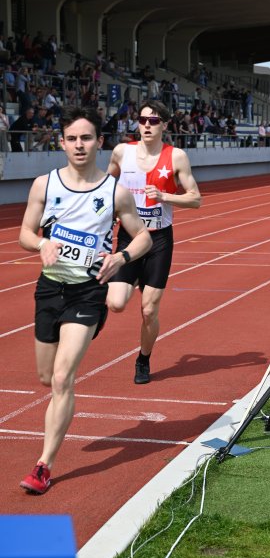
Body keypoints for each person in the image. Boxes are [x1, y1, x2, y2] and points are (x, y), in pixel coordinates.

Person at [19, 106, 152, 494]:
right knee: (46, 377)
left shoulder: (115, 192)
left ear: (98, 142)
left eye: (87, 138)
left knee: (63, 377)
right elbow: (25, 233)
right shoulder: (44, 185)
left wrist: (121, 257)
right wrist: (43, 244)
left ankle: (44, 465)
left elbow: (142, 236)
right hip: (49, 289)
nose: (79, 145)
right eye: (72, 139)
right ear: (62, 143)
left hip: (88, 292)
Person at [107, 100, 201, 384]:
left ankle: (143, 359)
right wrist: (109, 211)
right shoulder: (122, 152)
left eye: (154, 120)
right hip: (130, 237)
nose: (147, 125)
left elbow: (196, 198)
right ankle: (131, 280)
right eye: (142, 120)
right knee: (116, 303)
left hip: (159, 238)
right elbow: (105, 187)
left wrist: (165, 196)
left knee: (149, 310)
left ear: (165, 125)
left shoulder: (176, 157)